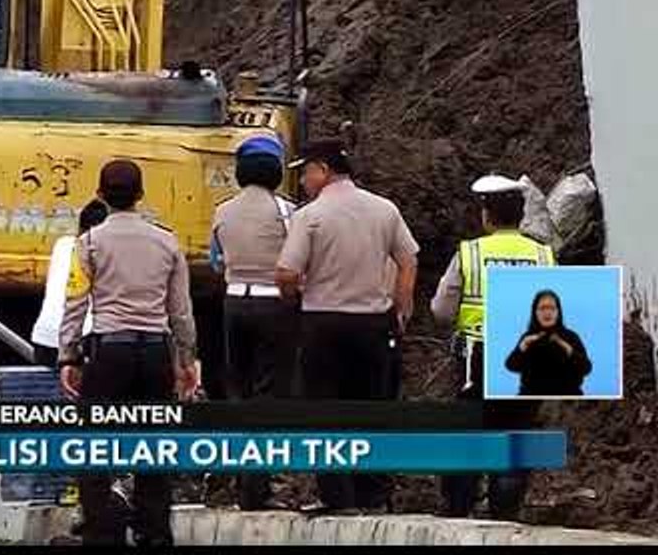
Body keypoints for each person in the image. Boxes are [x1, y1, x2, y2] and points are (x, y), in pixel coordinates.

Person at [58, 159, 198, 546]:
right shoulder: (168, 242)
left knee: (93, 443)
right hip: (155, 352)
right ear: (140, 195)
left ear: (100, 195)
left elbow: (75, 303)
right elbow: (180, 311)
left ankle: (103, 530)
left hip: (108, 353)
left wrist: (68, 357)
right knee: (155, 444)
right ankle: (154, 530)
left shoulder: (88, 243)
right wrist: (186, 360)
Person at [275, 138, 419, 514]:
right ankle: (373, 495)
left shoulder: (309, 216)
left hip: (323, 324)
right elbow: (408, 260)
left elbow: (287, 272)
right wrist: (401, 308)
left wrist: (293, 298)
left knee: (325, 410)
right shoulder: (384, 210)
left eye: (306, 173)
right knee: (372, 407)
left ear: (323, 170)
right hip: (374, 324)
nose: (304, 182)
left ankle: (338, 497)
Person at [431, 174, 556, 521]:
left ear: (487, 215)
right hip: (529, 358)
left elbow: (440, 310)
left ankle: (459, 505)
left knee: (468, 431)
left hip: (478, 356)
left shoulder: (470, 252)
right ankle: (505, 508)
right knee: (516, 429)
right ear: (521, 216)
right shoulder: (543, 255)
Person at [210, 134, 295, 510]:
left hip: (233, 304)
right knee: (267, 396)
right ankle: (257, 488)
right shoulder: (286, 210)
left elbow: (216, 261)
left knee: (237, 391)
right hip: (273, 307)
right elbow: (296, 261)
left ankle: (237, 478)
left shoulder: (222, 210)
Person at [31, 199, 109, 367]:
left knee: (44, 391)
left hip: (44, 336)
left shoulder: (62, 244)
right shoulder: (102, 253)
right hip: (82, 338)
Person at [505, 289, 591, 396]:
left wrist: (566, 348)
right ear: (535, 312)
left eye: (552, 308)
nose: (547, 312)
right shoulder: (528, 338)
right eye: (542, 308)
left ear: (558, 312)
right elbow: (511, 366)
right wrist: (522, 346)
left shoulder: (571, 336)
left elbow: (586, 368)